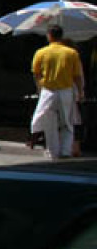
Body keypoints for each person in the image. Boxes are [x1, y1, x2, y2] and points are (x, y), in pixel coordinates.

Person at [31, 25, 84, 160]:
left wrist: (39, 88)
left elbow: (36, 74)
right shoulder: (71, 53)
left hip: (48, 91)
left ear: (49, 35)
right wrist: (80, 91)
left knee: (50, 124)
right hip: (66, 91)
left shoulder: (41, 52)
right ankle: (66, 151)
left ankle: (53, 152)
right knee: (67, 123)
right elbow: (77, 75)